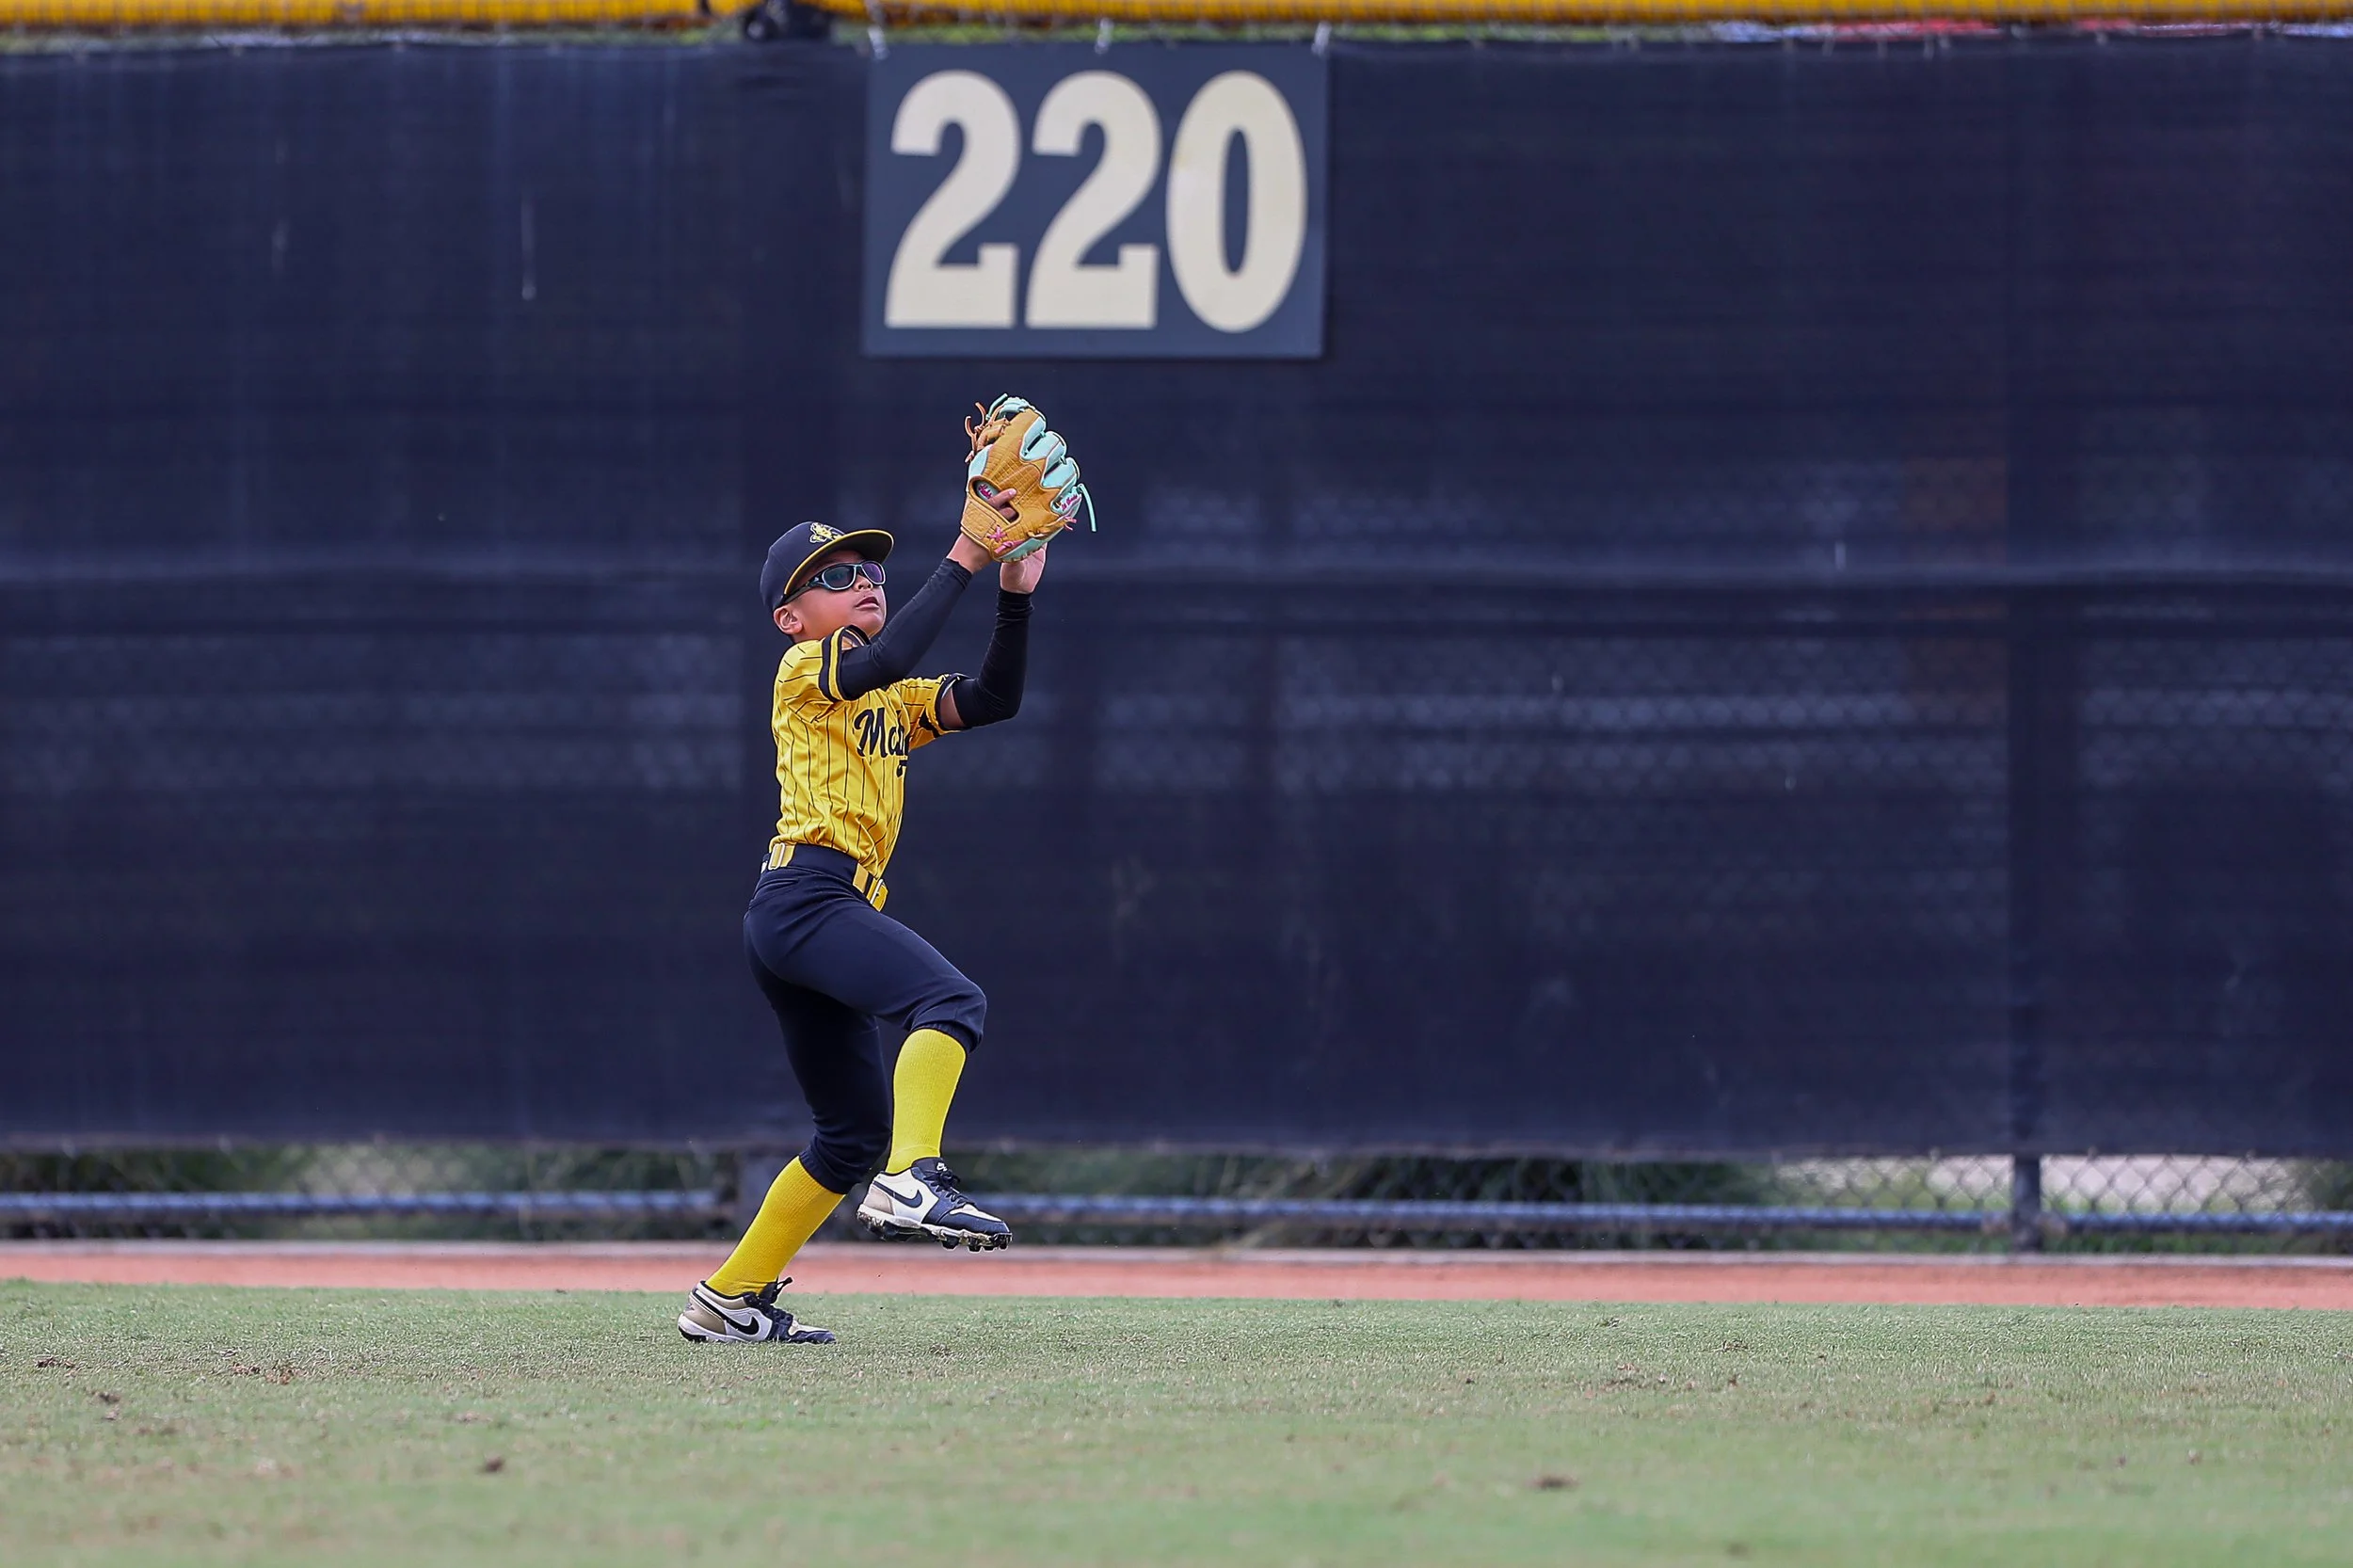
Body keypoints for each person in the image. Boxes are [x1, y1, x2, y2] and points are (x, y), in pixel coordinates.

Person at [677, 499, 1040, 1346]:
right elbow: (891, 656)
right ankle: (913, 1176)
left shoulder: (885, 695)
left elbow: (991, 698)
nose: (866, 583)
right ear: (790, 618)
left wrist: (1015, 591)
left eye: (873, 572)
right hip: (807, 899)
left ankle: (728, 1299)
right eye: (836, 578)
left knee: (845, 1138)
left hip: (808, 914)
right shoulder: (804, 669)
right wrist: (964, 553)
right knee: (953, 1003)